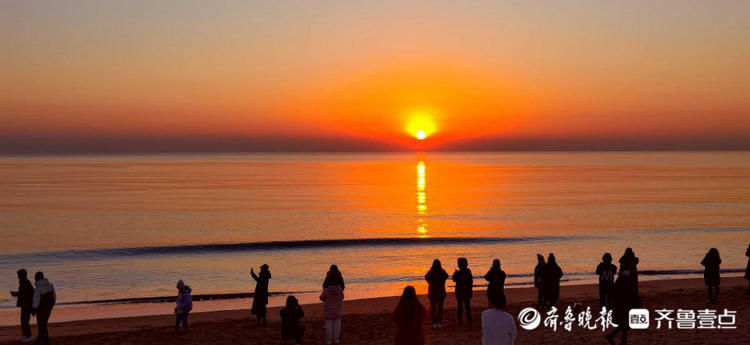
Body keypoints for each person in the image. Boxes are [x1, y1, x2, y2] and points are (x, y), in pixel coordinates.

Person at [605, 274, 636, 345]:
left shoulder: (620, 281)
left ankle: (621, 339)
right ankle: (616, 337)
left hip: (620, 305)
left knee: (624, 323)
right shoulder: (625, 282)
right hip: (622, 305)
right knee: (625, 323)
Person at [31, 272, 55, 345]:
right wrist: (51, 306)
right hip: (48, 308)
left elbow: (36, 301)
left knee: (41, 325)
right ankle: (45, 339)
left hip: (40, 310)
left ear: (37, 278)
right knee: (44, 323)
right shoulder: (50, 286)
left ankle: (42, 339)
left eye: (35, 277)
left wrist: (33, 310)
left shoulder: (38, 289)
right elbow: (54, 297)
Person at [10, 269, 34, 342]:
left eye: (19, 275)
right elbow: (23, 293)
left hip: (27, 304)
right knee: (23, 320)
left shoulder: (26, 282)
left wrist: (16, 294)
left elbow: (27, 294)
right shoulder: (23, 282)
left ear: (22, 275)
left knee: (25, 321)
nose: (18, 277)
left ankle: (28, 336)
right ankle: (25, 335)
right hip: (25, 304)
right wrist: (16, 294)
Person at [424, 259, 449, 328]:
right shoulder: (442, 271)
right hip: (441, 292)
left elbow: (426, 277)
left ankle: (434, 323)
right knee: (440, 308)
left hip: (432, 292)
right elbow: (447, 276)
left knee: (433, 308)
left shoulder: (431, 271)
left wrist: (430, 282)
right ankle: (439, 322)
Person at [320, 280, 344, 345]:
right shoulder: (339, 289)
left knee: (328, 327)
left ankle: (329, 341)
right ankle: (336, 340)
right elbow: (342, 297)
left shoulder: (326, 290)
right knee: (337, 327)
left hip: (328, 311)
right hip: (337, 311)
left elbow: (321, 298)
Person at [452, 257, 474, 325]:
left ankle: (460, 321)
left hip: (460, 291)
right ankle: (468, 320)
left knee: (460, 306)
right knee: (467, 306)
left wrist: (456, 273)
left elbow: (454, 279)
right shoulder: (468, 271)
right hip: (466, 291)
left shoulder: (460, 272)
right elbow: (471, 282)